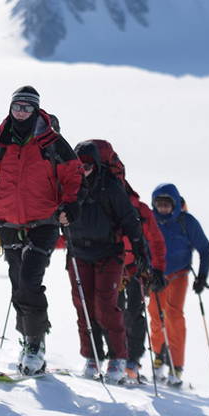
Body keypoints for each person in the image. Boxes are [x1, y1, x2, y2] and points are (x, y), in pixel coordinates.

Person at [0, 86, 83, 375]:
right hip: (8, 221)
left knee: (29, 281)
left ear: (36, 110)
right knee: (19, 285)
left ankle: (35, 344)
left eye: (27, 108)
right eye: (17, 106)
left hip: (44, 221)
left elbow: (73, 175)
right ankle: (28, 336)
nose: (21, 112)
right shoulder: (0, 141)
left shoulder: (52, 142)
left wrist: (71, 204)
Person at [68, 140, 167, 384]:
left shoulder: (111, 188)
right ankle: (92, 356)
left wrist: (142, 254)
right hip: (79, 253)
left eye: (89, 164)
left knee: (106, 305)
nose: (85, 168)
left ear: (98, 165)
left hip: (109, 253)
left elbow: (130, 222)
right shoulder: (70, 186)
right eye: (81, 164)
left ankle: (119, 358)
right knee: (84, 306)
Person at [147, 182, 209, 387]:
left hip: (178, 276)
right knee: (156, 316)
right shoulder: (149, 221)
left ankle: (176, 366)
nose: (163, 208)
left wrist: (201, 277)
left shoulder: (187, 222)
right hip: (154, 276)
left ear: (175, 204)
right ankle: (158, 355)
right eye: (159, 204)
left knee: (174, 316)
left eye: (167, 204)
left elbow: (205, 249)